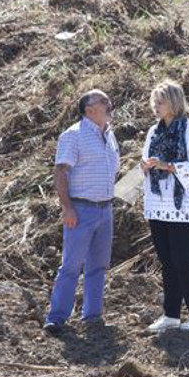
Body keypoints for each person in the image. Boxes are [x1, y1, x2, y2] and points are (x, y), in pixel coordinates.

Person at [43, 89, 120, 335]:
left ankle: (92, 315)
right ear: (89, 110)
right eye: (103, 101)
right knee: (71, 266)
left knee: (98, 266)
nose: (109, 104)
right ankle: (57, 317)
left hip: (105, 209)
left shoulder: (109, 135)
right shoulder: (73, 136)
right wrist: (67, 208)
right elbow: (60, 172)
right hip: (81, 209)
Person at [140, 80, 189, 335]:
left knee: (183, 260)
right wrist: (145, 166)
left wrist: (168, 166)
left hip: (184, 206)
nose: (155, 107)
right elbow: (146, 160)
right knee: (167, 262)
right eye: (154, 102)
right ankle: (170, 314)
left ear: (174, 103)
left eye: (161, 102)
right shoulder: (153, 131)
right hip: (158, 204)